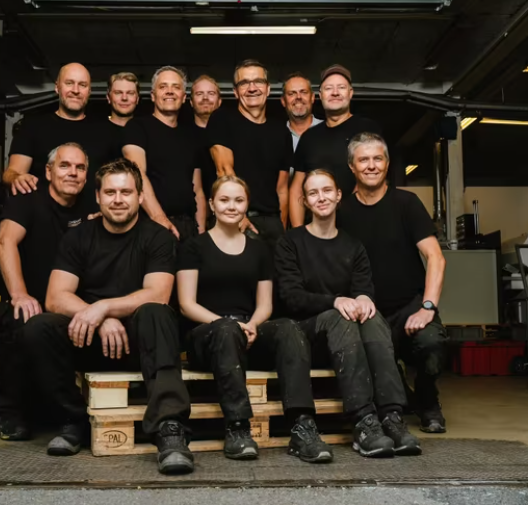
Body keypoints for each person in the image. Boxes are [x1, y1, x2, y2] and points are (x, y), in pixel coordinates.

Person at [19, 158, 194, 474]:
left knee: (157, 313)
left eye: (126, 192)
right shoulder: (78, 237)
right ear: (98, 197)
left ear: (140, 196)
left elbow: (157, 293)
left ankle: (169, 428)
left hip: (140, 345)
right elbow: (56, 297)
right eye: (110, 192)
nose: (118, 199)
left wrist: (103, 307)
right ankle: (72, 419)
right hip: (88, 339)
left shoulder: (158, 237)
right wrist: (98, 318)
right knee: (38, 327)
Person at [178, 175, 333, 463]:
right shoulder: (193, 247)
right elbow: (187, 305)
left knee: (288, 327)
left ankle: (302, 426)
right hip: (207, 336)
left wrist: (250, 325)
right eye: (224, 200)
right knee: (226, 329)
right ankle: (238, 428)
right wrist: (228, 324)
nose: (231, 206)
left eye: (239, 200)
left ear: (247, 204)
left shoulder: (260, 249)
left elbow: (265, 304)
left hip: (248, 332)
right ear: (211, 204)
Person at [0, 143, 91, 440]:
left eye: (80, 167)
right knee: (20, 318)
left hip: (62, 304)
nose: (72, 173)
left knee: (45, 408)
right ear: (48, 172)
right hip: (25, 299)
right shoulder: (27, 199)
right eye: (64, 166)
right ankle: (9, 414)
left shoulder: (92, 206)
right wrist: (20, 294)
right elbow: (5, 242)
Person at [275, 169, 421, 457]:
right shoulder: (290, 242)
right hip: (306, 336)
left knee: (372, 316)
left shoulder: (353, 246)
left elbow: (363, 288)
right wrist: (335, 301)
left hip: (347, 339)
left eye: (327, 190)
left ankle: (392, 417)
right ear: (305, 201)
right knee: (339, 317)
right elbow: (291, 298)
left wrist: (364, 299)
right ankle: (363, 421)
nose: (321, 197)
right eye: (313, 193)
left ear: (338, 195)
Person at [339, 132, 448, 434]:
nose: (371, 165)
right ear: (352, 167)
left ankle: (428, 400)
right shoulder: (342, 212)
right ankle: (402, 396)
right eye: (363, 159)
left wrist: (427, 307)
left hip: (408, 307)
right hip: (368, 314)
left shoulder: (406, 203)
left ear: (387, 164)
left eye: (378, 158)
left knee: (433, 345)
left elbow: (435, 257)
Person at [4, 62, 122, 214]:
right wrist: (16, 178)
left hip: (91, 221)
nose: (75, 90)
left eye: (82, 85)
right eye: (69, 83)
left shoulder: (107, 130)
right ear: (57, 87)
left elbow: (120, 180)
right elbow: (12, 172)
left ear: (89, 91)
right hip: (42, 218)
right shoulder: (32, 126)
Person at [207, 59, 293, 250]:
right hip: (236, 219)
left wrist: (281, 230)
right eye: (244, 83)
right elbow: (224, 171)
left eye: (258, 82)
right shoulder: (222, 119)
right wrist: (240, 218)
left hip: (272, 223)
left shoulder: (281, 131)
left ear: (268, 89)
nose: (252, 88)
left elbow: (282, 189)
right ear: (235, 92)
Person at [289, 64, 383, 227]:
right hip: (318, 228)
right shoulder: (309, 137)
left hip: (362, 225)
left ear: (350, 93)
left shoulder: (367, 129)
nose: (335, 92)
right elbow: (297, 188)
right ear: (320, 95)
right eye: (328, 88)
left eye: (341, 87)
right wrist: (299, 233)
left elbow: (376, 177)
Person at [122, 66, 206, 240]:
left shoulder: (191, 136)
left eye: (176, 87)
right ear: (153, 96)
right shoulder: (137, 127)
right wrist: (159, 218)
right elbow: (137, 173)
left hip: (188, 226)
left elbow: (197, 189)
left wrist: (201, 234)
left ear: (183, 97)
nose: (169, 91)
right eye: (163, 86)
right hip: (151, 224)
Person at [190, 74, 222, 206]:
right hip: (193, 208)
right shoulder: (181, 135)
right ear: (191, 102)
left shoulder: (231, 135)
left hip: (225, 206)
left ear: (219, 101)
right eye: (199, 94)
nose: (205, 98)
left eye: (211, 93)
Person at [280, 72, 322, 152]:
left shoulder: (329, 130)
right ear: (283, 101)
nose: (298, 97)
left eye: (304, 92)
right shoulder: (276, 135)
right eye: (291, 94)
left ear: (312, 97)